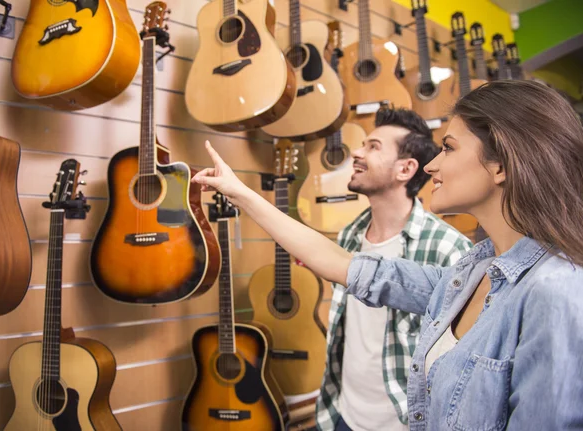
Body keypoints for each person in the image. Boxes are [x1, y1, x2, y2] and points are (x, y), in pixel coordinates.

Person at [192, 80, 583, 430]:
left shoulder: (554, 291)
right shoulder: (468, 274)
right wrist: (241, 193)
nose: (432, 166)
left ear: (500, 166)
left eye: (448, 148)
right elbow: (343, 265)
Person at [315, 109, 472, 431]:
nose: (356, 153)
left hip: (403, 420)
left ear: (406, 168)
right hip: (341, 413)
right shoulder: (348, 236)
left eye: (373, 146)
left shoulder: (448, 248)